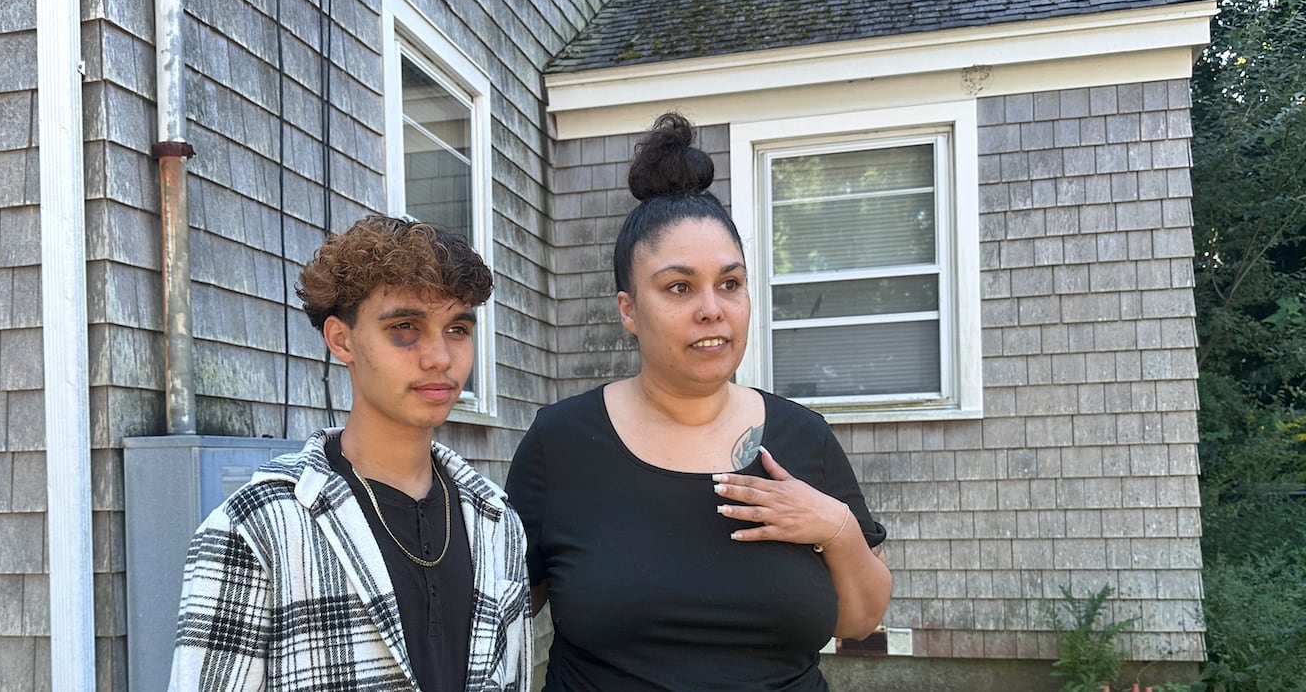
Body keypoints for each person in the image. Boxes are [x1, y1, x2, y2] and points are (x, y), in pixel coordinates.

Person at [506, 113, 892, 691]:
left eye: (730, 283)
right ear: (629, 310)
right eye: (679, 287)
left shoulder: (802, 438)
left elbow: (859, 618)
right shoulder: (561, 444)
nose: (712, 309)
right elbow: (498, 620)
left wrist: (836, 527)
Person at [169, 215, 531, 692]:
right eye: (405, 327)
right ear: (342, 340)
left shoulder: (496, 521)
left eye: (458, 328)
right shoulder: (258, 529)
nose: (440, 357)